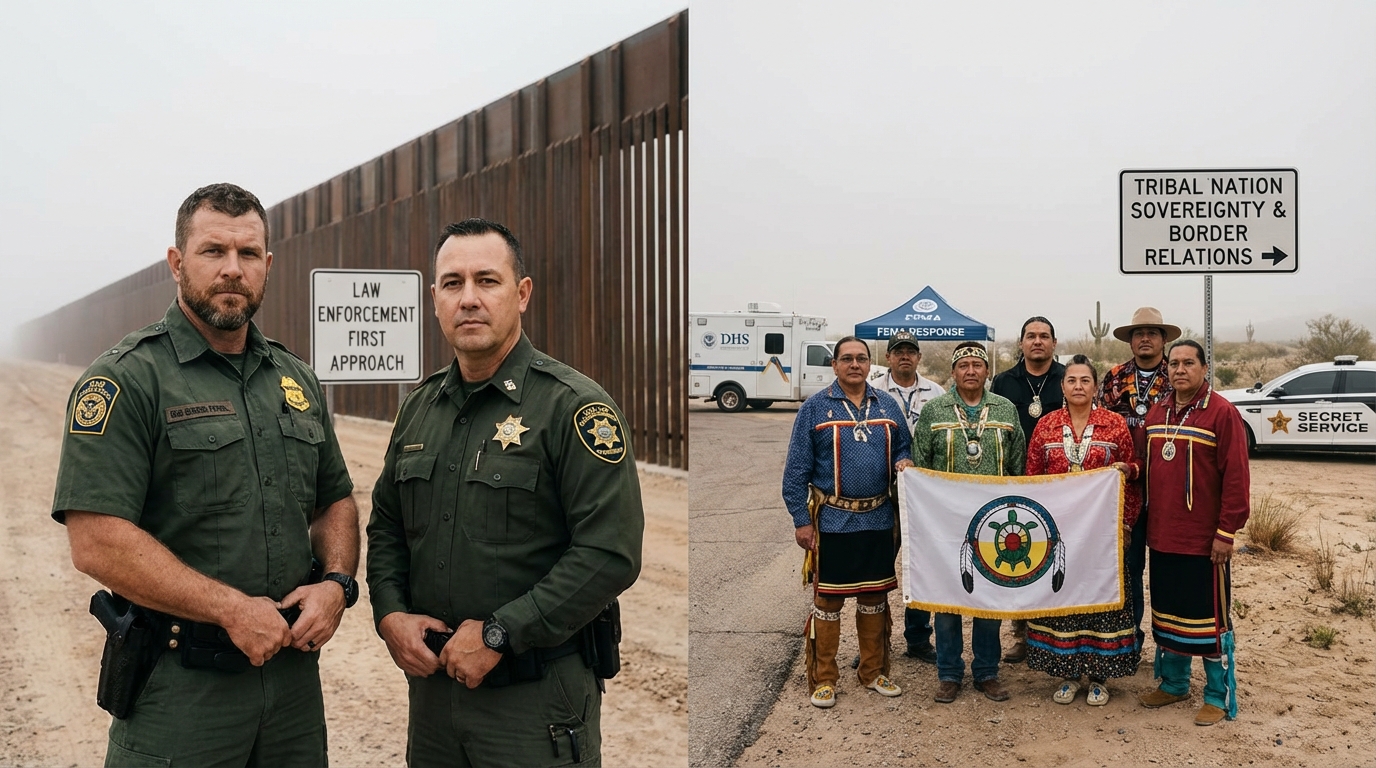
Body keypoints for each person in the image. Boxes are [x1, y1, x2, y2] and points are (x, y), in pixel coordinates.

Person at [52, 183, 360, 767]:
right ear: (176, 263)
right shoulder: (127, 379)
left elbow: (334, 499)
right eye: (213, 251)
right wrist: (230, 609)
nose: (232, 269)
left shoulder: (295, 379)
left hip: (291, 690)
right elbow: (95, 539)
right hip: (181, 692)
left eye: (248, 254)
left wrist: (337, 584)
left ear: (267, 265)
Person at [366, 218, 644, 766]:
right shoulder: (419, 408)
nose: (468, 298)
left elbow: (609, 553)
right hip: (435, 703)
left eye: (487, 281)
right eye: (453, 283)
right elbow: (387, 526)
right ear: (435, 299)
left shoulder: (573, 407)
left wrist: (500, 634)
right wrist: (390, 613)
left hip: (534, 705)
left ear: (522, 294)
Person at [783, 336, 910, 709]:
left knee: (874, 598)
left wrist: (903, 459)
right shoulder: (814, 408)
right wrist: (801, 520)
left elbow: (904, 445)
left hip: (879, 519)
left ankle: (873, 672)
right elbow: (796, 471)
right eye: (847, 358)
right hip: (833, 521)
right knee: (828, 601)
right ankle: (824, 678)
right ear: (835, 365)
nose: (855, 364)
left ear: (870, 364)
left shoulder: (887, 404)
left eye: (861, 358)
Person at [1139, 340, 1250, 726]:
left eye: (1189, 363)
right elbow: (1144, 465)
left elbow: (1236, 477)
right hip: (1162, 536)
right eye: (1174, 364)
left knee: (1210, 619)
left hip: (1204, 541)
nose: (1180, 370)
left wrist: (1226, 532)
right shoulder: (1158, 412)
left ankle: (1217, 695)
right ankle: (1174, 683)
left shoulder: (1221, 413)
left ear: (1205, 368)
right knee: (1169, 612)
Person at [1023, 355, 1142, 706]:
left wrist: (1126, 524)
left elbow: (1132, 477)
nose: (1078, 386)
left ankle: (1100, 676)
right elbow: (1032, 478)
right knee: (1064, 599)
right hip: (1059, 534)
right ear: (1063, 386)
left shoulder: (1114, 424)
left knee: (1100, 602)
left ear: (1095, 387)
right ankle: (1068, 674)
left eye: (1085, 380)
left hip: (1102, 535)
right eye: (1072, 380)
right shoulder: (1046, 425)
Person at [912, 341, 1024, 704]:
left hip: (992, 522)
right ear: (953, 372)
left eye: (977, 364)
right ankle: (949, 673)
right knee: (948, 596)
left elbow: (1018, 466)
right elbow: (920, 462)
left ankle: (987, 671)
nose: (971, 371)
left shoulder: (1005, 409)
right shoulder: (935, 410)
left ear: (987, 371)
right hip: (944, 524)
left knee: (988, 595)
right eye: (964, 365)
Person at [1096, 306, 1179, 654]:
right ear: (1130, 341)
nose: (1145, 338)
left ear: (1163, 339)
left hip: (1166, 488)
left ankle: (1170, 644)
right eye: (1138, 333)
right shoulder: (1114, 378)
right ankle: (1127, 641)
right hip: (1122, 490)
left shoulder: (1176, 376)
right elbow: (1099, 425)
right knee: (1126, 568)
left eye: (1152, 333)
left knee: (1165, 569)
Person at [991, 316, 1066, 663]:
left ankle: (1052, 632)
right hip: (1015, 480)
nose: (1038, 341)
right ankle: (1021, 635)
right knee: (1019, 556)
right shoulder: (1003, 381)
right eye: (1031, 336)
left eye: (1044, 336)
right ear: (1021, 343)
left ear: (1054, 343)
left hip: (1057, 483)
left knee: (1053, 555)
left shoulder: (1067, 378)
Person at [877, 330, 942, 665]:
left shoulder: (936, 392)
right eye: (898, 351)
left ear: (919, 357)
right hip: (881, 492)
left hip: (923, 496)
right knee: (878, 568)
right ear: (888, 357)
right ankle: (876, 642)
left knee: (921, 567)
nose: (905, 356)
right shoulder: (873, 392)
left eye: (910, 351)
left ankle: (918, 639)